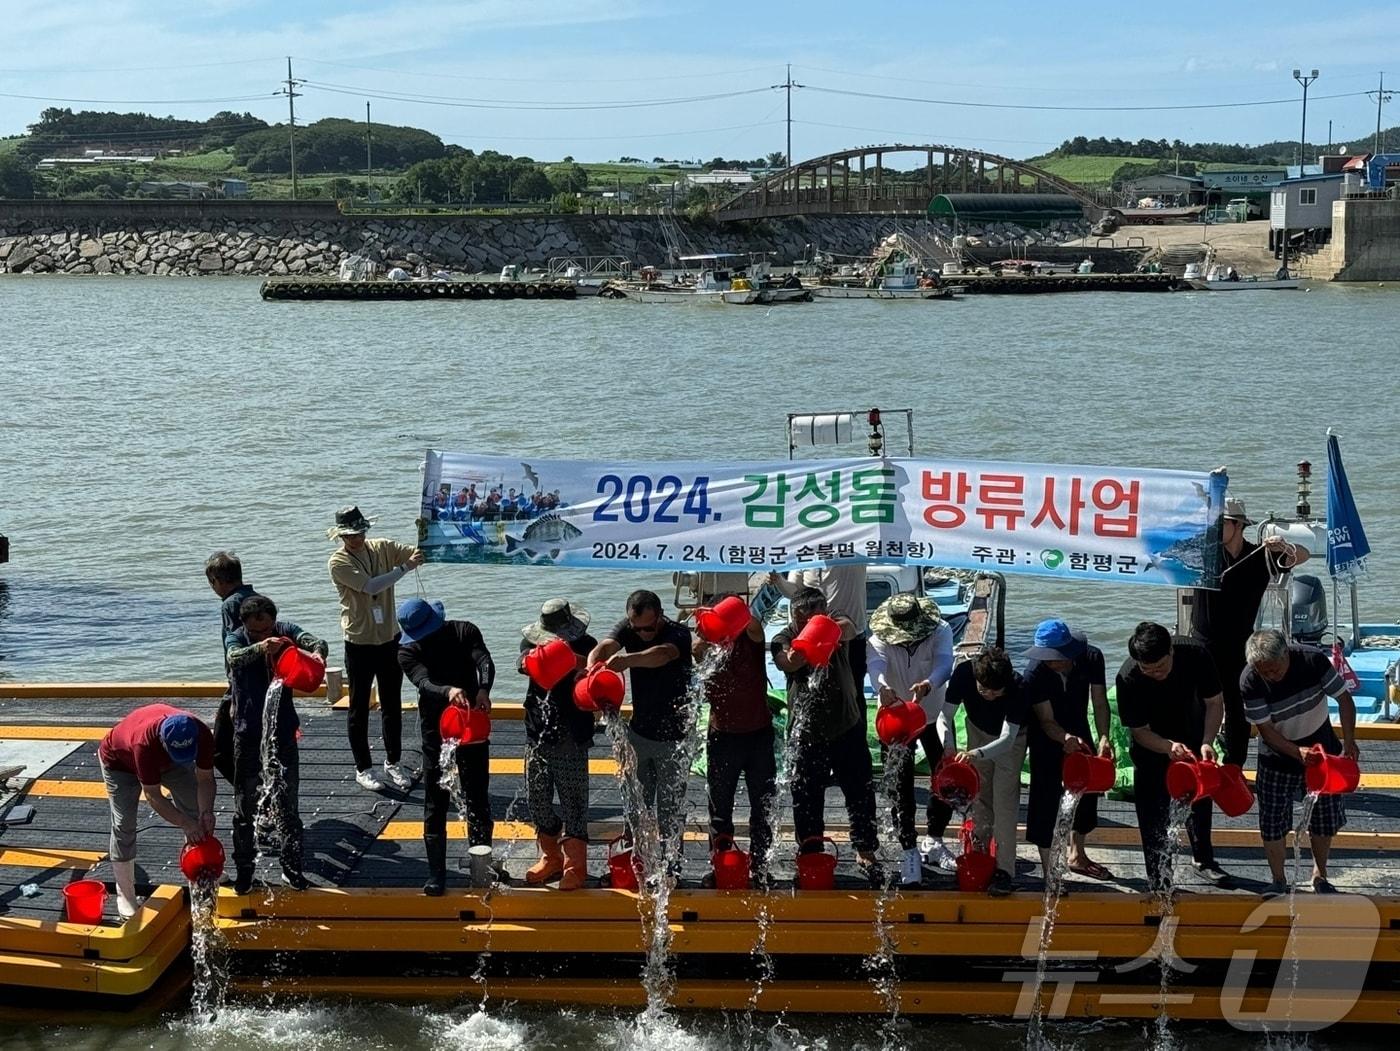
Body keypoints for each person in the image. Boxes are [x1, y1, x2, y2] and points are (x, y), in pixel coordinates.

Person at [772, 587, 882, 887]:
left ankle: (865, 849)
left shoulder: (837, 625)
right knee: (805, 799)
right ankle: (810, 851)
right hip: (806, 733)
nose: (809, 624)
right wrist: (807, 641)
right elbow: (787, 662)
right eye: (804, 619)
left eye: (816, 617)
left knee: (859, 792)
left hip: (847, 725)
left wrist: (823, 629)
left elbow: (850, 628)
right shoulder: (782, 637)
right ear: (794, 617)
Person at [1190, 496, 1309, 767]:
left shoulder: (1259, 556)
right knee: (1199, 705)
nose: (1213, 528)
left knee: (1238, 708)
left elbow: (1301, 554)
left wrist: (1284, 546)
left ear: (1238, 525)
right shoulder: (1205, 554)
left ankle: (1234, 766)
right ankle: (1198, 762)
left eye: (1220, 523)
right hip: (1203, 643)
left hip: (1239, 645)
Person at [1241, 629, 1360, 896]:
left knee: (1325, 819)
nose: (1270, 675)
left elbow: (1343, 698)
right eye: (1264, 671)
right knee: (1272, 822)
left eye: (1274, 668)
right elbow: (1266, 730)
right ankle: (1278, 878)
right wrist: (1296, 752)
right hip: (1277, 757)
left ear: (1286, 654)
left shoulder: (1312, 660)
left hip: (1324, 752)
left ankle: (1320, 874)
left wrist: (1349, 740)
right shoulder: (1249, 680)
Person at [1115, 622, 1230, 892]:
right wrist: (1167, 747)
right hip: (1153, 745)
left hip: (1193, 733)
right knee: (1152, 812)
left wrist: (1207, 741)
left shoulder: (1195, 653)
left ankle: (1204, 859)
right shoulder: (1128, 677)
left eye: (1161, 667)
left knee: (1199, 800)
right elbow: (1139, 731)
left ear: (1171, 651)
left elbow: (1215, 702)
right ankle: (1158, 875)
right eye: (1148, 669)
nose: (1155, 673)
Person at [224, 594, 327, 894]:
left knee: (288, 806)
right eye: (257, 631)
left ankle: (292, 868)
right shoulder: (236, 639)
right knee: (245, 807)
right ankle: (245, 871)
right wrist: (259, 647)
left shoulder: (285, 630)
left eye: (269, 629)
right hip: (247, 734)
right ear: (245, 625)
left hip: (282, 734)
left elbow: (316, 641)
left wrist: (318, 654)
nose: (266, 634)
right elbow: (234, 657)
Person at [588, 590, 693, 872]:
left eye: (648, 628)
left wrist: (627, 660)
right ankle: (636, 863)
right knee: (635, 807)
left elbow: (661, 655)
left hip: (675, 739)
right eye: (636, 628)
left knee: (670, 811)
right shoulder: (630, 628)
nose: (642, 633)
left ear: (659, 617)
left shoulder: (679, 634)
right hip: (639, 733)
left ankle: (672, 868)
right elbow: (604, 647)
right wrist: (591, 670)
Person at [397, 597, 497, 896]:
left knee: (477, 796)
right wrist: (448, 690)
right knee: (435, 801)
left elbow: (484, 661)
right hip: (435, 730)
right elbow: (422, 682)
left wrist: (483, 689)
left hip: (471, 723)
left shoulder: (465, 631)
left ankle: (482, 868)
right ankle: (436, 874)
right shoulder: (407, 651)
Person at [327, 505, 425, 792]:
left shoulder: (382, 547)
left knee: (392, 704)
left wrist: (426, 532)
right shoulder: (338, 562)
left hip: (389, 638)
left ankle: (393, 761)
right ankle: (363, 768)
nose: (355, 538)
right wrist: (404, 569)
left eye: (359, 532)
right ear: (341, 537)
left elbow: (416, 553)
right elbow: (371, 586)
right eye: (349, 535)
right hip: (359, 641)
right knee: (358, 707)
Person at [866, 593, 954, 887]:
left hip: (932, 714)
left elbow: (944, 662)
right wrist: (882, 687)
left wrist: (929, 683)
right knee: (900, 785)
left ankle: (936, 837)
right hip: (896, 717)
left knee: (945, 777)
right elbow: (875, 665)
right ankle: (908, 848)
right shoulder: (879, 637)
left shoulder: (940, 630)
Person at [98, 704, 216, 917]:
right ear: (163, 741)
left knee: (195, 807)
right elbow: (153, 795)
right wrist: (184, 823)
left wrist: (206, 812)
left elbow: (206, 779)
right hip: (119, 764)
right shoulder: (144, 743)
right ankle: (125, 892)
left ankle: (200, 867)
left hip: (169, 764)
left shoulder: (201, 732)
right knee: (124, 823)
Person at [1022, 619, 1113, 885]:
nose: (1053, 663)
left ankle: (1077, 854)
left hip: (1079, 728)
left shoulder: (1092, 657)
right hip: (1046, 736)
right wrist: (1064, 738)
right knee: (1044, 796)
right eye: (1047, 658)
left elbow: (1099, 700)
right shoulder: (1034, 673)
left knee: (1087, 791)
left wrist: (1104, 735)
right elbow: (1046, 720)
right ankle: (1049, 867)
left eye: (1057, 658)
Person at [694, 592, 776, 888]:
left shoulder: (750, 638)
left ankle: (761, 865)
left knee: (762, 806)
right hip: (723, 736)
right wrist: (707, 627)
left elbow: (754, 626)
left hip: (758, 735)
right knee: (719, 809)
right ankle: (721, 865)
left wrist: (735, 614)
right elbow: (697, 648)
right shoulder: (707, 647)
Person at [519, 599, 597, 892]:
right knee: (536, 798)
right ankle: (550, 856)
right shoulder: (530, 642)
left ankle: (575, 866)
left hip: (572, 734)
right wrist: (546, 656)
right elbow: (520, 663)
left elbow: (597, 670)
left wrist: (574, 661)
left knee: (574, 801)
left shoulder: (587, 643)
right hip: (537, 732)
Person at [949, 648, 1030, 896]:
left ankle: (1005, 869)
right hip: (977, 729)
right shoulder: (964, 672)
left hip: (1011, 741)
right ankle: (979, 851)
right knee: (980, 794)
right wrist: (948, 746)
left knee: (1004, 801)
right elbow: (945, 713)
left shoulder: (1019, 686)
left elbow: (1007, 740)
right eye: (984, 689)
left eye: (997, 691)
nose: (991, 695)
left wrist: (975, 754)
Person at [770, 565, 869, 706]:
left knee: (853, 694)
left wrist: (821, 630)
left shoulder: (852, 549)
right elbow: (795, 592)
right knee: (808, 693)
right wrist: (779, 580)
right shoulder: (805, 553)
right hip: (803, 636)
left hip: (845, 638)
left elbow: (848, 628)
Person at [205, 550, 258, 784]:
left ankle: (252, 793)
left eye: (212, 583)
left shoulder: (229, 605)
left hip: (240, 686)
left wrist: (235, 696)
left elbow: (234, 652)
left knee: (218, 750)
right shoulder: (256, 598)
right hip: (262, 681)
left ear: (218, 580)